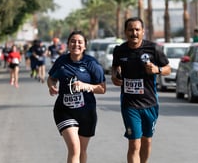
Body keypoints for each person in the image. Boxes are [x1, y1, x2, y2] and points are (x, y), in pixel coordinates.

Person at [111, 17, 171, 163]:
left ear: (143, 31)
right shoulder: (120, 51)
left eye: (137, 29)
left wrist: (157, 69)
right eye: (130, 30)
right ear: (125, 32)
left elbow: (168, 69)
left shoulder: (154, 49)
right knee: (134, 144)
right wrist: (114, 76)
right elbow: (114, 67)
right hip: (129, 104)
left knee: (147, 141)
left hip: (150, 103)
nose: (134, 33)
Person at [47, 30, 106, 163]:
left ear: (85, 46)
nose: (76, 44)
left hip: (87, 112)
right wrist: (51, 86)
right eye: (73, 41)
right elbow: (51, 78)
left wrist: (86, 86)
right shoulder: (62, 61)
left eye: (80, 42)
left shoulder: (92, 63)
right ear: (68, 44)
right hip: (64, 111)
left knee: (82, 151)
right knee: (74, 148)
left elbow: (102, 89)